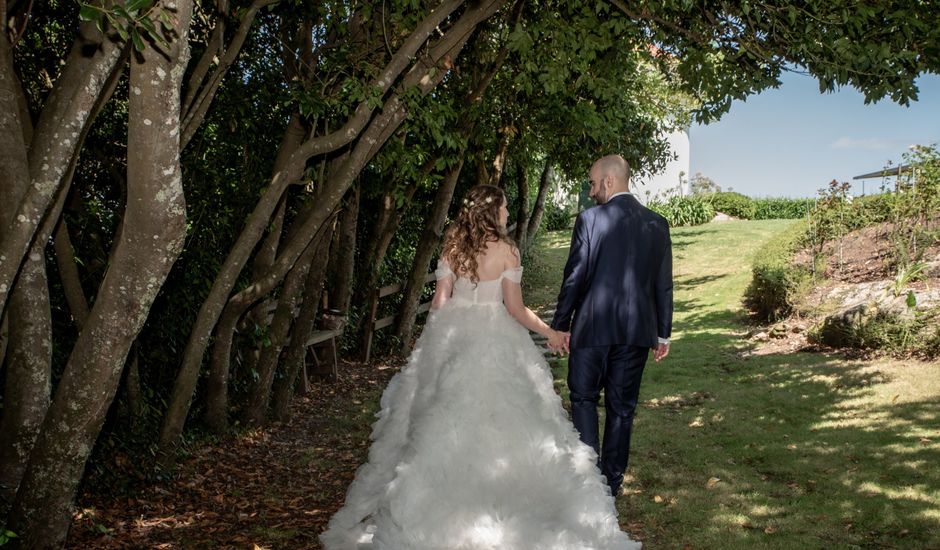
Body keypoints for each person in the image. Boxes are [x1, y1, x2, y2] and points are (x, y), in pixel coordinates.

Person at [320, 185, 640, 549]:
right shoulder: (507, 251)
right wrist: (549, 331)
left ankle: (443, 502)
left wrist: (429, 346)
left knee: (442, 417)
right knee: (510, 416)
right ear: (491, 212)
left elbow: (440, 303)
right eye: (504, 207)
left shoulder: (453, 248)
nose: (507, 212)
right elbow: (516, 310)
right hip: (497, 338)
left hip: (454, 336)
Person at [551, 154, 673, 497]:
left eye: (592, 183)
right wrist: (663, 333)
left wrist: (561, 325)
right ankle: (611, 484)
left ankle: (588, 481)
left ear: (608, 181)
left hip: (592, 329)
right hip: (637, 335)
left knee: (584, 398)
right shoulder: (657, 224)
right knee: (622, 410)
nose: (591, 191)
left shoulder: (590, 219)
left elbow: (574, 277)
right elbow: (663, 284)